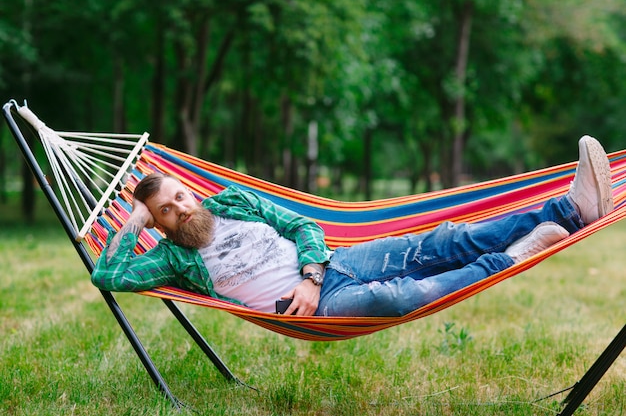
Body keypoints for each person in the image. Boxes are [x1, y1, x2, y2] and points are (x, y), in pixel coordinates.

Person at [91, 136, 613, 317]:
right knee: (397, 298)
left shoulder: (233, 201)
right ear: (157, 223)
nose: (179, 209)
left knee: (443, 240)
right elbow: (107, 276)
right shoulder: (171, 256)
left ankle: (569, 211)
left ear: (192, 191)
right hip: (309, 312)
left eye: (179, 197)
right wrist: (133, 219)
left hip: (330, 269)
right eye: (165, 211)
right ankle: (511, 259)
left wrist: (312, 276)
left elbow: (302, 227)